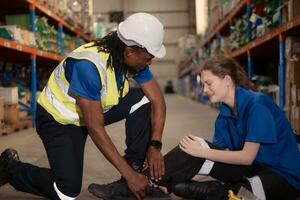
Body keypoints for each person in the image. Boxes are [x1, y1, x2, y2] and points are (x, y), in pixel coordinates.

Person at [0, 12, 167, 200]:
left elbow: (158, 100)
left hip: (93, 111)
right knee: (65, 192)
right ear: (130, 51)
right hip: (58, 120)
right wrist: (130, 176)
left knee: (143, 99)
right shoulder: (88, 66)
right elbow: (95, 128)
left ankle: (134, 173)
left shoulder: (129, 58)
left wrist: (155, 146)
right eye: (148, 58)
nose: (149, 62)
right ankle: (12, 169)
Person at [89, 56, 300, 200]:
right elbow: (217, 157)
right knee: (195, 146)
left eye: (209, 83)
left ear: (227, 80)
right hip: (251, 169)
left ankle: (218, 191)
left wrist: (202, 152)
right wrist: (183, 171)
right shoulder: (225, 116)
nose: (204, 90)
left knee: (251, 194)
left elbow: (246, 157)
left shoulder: (257, 105)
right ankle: (149, 183)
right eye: (202, 84)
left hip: (281, 176)